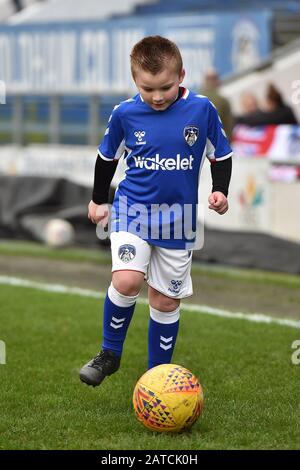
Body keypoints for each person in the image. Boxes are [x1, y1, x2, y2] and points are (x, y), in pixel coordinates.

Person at [79, 36, 232, 387]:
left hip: (179, 221)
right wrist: (98, 199)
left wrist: (220, 191)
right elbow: (107, 157)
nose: (158, 96)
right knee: (127, 279)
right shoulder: (125, 113)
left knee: (164, 301)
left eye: (165, 86)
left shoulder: (202, 109)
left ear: (181, 75)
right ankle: (109, 353)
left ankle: (155, 377)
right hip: (132, 210)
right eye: (148, 89)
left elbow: (220, 155)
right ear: (136, 81)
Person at [201, 68, 234, 141]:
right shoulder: (223, 101)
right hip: (219, 144)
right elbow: (229, 126)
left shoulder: (195, 98)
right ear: (217, 81)